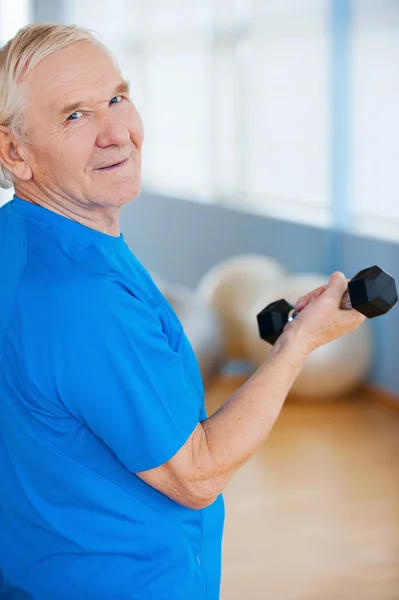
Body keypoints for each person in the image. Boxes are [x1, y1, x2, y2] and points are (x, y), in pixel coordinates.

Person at [0, 24, 365, 600]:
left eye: (117, 98)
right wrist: (297, 344)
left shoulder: (21, 240)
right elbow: (196, 474)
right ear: (13, 152)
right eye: (75, 115)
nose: (117, 131)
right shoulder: (81, 296)